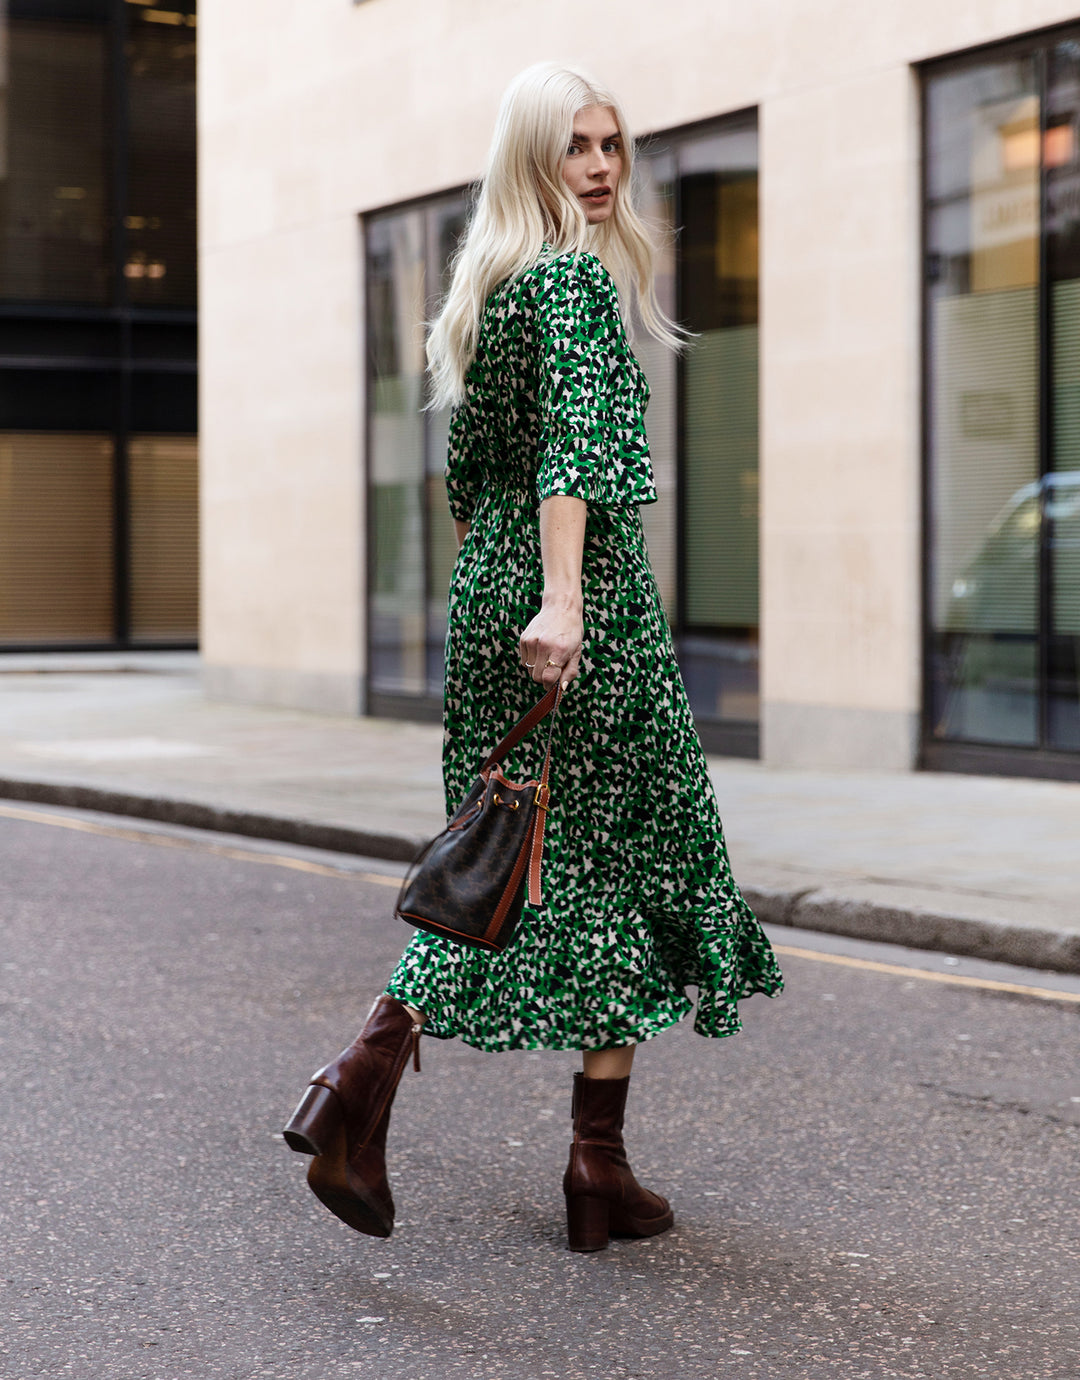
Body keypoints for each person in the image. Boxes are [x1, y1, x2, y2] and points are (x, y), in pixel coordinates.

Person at [283, 61, 783, 1253]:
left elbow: (471, 488)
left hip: (496, 594)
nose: (603, 167)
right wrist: (562, 600)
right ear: (532, 159)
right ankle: (410, 1099)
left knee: (528, 857)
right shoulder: (568, 287)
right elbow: (575, 456)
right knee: (610, 859)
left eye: (614, 145)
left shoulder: (490, 290)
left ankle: (556, 1153)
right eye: (577, 148)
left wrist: (505, 593)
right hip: (578, 606)